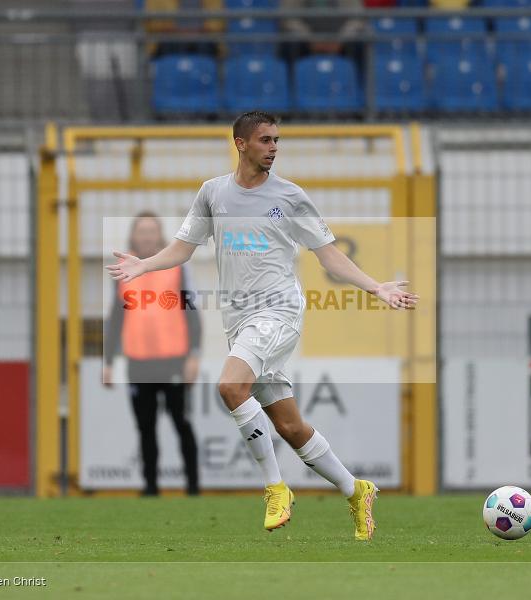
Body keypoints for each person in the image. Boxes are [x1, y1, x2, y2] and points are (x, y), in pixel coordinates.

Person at [106, 112, 417, 540]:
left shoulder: (290, 197)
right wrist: (144, 264)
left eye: (277, 140)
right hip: (239, 320)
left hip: (279, 312)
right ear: (240, 144)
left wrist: (375, 286)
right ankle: (355, 488)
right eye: (265, 140)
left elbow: (329, 256)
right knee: (290, 426)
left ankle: (275, 488)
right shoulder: (213, 194)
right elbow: (182, 248)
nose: (273, 147)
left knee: (231, 388)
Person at [103, 211, 202, 496]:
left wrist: (194, 355)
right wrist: (108, 362)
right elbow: (115, 317)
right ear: (133, 236)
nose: (146, 236)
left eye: (152, 231)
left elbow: (192, 312)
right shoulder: (122, 269)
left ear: (159, 236)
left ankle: (193, 488)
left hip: (173, 359)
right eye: (141, 231)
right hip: (138, 361)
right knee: (145, 427)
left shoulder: (175, 266)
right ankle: (150, 488)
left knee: (181, 422)